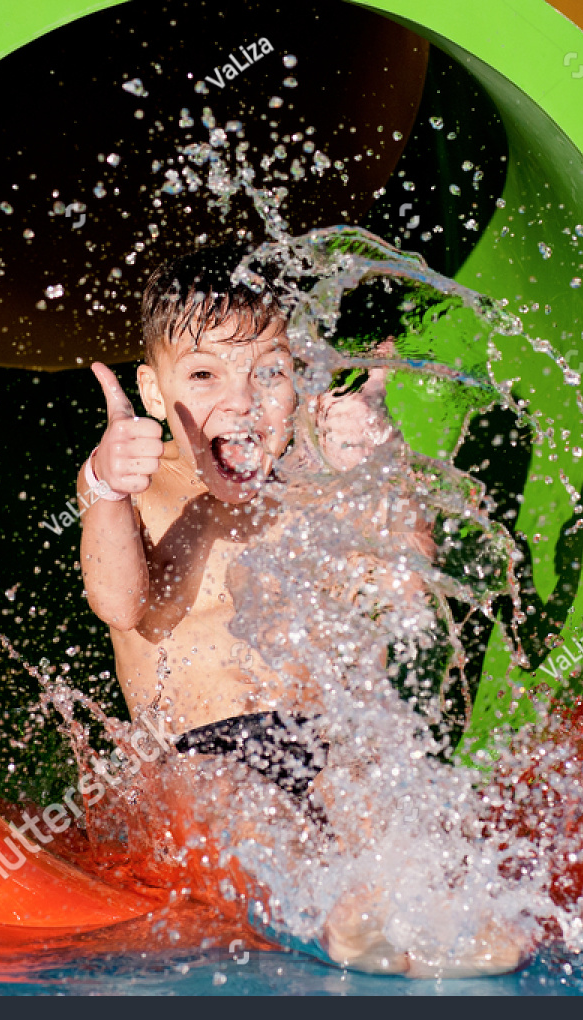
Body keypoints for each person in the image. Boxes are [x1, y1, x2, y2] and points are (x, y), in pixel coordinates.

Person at [77, 246, 524, 975]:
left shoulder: (318, 473)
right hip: (196, 755)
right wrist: (103, 486)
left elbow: (405, 590)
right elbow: (120, 603)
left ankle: (444, 910)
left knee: (365, 783)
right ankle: (331, 919)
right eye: (203, 376)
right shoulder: (137, 480)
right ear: (153, 395)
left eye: (271, 374)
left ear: (304, 380)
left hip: (321, 731)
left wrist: (384, 467)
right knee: (241, 806)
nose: (242, 401)